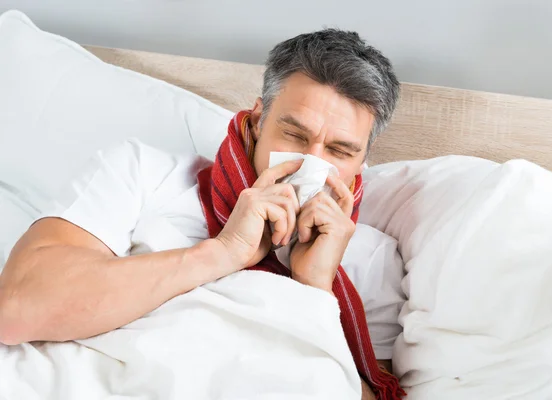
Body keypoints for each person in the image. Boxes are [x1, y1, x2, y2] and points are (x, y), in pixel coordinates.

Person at [0, 29, 404, 398]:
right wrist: (223, 252)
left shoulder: (374, 261)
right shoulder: (142, 172)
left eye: (339, 151)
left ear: (363, 161)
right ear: (259, 120)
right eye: (295, 135)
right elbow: (17, 310)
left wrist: (315, 288)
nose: (308, 163)